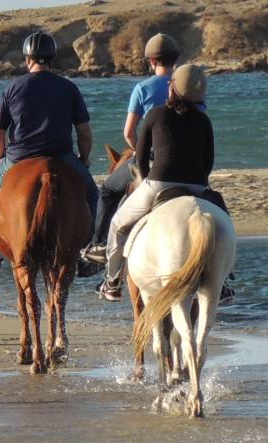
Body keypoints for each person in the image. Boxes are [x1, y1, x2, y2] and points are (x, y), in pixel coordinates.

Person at [0, 31, 101, 277]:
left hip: (19, 157)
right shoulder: (69, 87)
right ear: (51, 58)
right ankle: (85, 251)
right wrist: (83, 159)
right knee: (92, 195)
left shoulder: (12, 87)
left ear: (27, 58)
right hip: (60, 156)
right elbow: (84, 133)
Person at [99, 64, 216, 299]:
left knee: (118, 224)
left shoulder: (156, 114)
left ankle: (112, 280)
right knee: (221, 225)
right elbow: (208, 161)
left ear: (173, 89)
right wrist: (200, 185)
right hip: (196, 186)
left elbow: (141, 156)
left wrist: (144, 181)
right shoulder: (204, 120)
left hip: (159, 183)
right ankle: (222, 282)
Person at [86, 34, 183, 269]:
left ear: (151, 61)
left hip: (153, 162)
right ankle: (223, 280)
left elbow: (129, 132)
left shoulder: (142, 89)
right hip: (186, 163)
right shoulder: (187, 87)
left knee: (107, 191)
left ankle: (98, 245)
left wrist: (141, 151)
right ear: (176, 60)